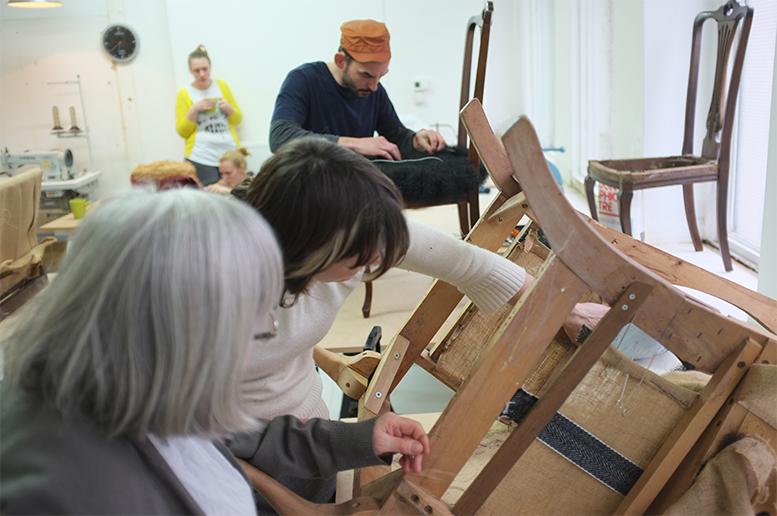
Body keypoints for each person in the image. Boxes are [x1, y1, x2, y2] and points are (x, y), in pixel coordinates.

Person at [0, 188, 429, 515]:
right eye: (245, 325)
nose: (254, 344)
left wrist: (362, 437)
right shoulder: (63, 490)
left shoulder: (129, 379)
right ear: (172, 322)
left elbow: (235, 433)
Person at [269, 19, 447, 161]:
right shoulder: (303, 80)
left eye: (381, 76)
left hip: (355, 188)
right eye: (367, 75)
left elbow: (397, 139)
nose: (374, 86)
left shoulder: (375, 91)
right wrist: (354, 144)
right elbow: (280, 137)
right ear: (340, 61)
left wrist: (417, 141)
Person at [176, 45, 242, 186]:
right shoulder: (184, 93)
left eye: (205, 69)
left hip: (228, 154)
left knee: (234, 195)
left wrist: (229, 109)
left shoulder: (221, 86)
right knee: (210, 198)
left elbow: (238, 119)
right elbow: (182, 131)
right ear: (190, 71)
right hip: (201, 157)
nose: (201, 74)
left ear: (210, 67)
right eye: (196, 70)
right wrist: (194, 109)